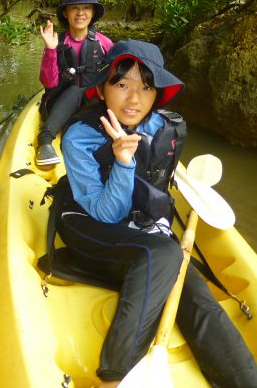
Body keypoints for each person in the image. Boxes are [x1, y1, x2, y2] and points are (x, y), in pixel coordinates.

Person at [58, 39, 257, 387]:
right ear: (102, 89)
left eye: (146, 87)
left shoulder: (162, 127)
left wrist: (160, 224)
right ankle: (114, 376)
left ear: (157, 95)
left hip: (143, 232)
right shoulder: (79, 136)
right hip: (90, 227)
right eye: (122, 85)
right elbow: (106, 214)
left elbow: (157, 186)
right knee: (164, 253)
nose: (134, 99)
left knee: (196, 295)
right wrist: (123, 161)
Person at [36, 0, 113, 166]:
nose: (80, 13)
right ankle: (45, 140)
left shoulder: (104, 43)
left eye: (86, 8)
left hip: (93, 106)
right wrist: (50, 50)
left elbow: (115, 79)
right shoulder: (56, 41)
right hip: (60, 105)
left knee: (88, 92)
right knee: (75, 90)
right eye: (74, 8)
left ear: (93, 13)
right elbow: (49, 82)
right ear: (66, 13)